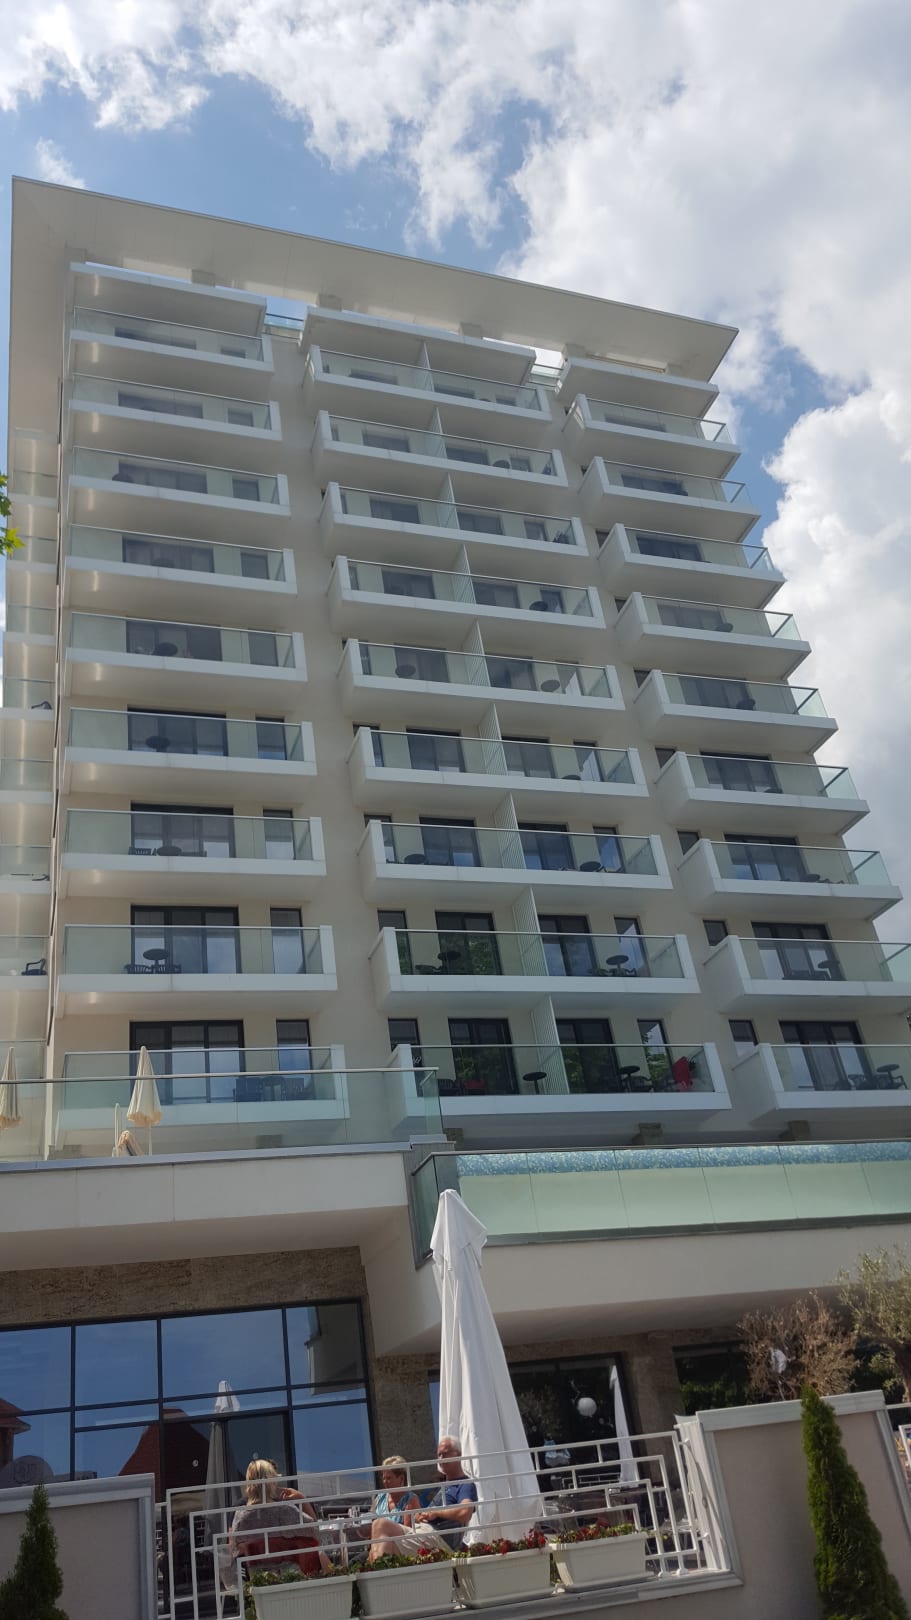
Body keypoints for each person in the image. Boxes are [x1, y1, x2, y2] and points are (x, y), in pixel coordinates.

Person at [368, 1437, 477, 1562]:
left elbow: (464, 1513)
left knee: (384, 1545)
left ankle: (380, 1572)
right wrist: (421, 1516)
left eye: (445, 1453)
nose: (441, 1458)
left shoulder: (464, 1484)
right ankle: (381, 1570)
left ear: (458, 1454)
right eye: (439, 1455)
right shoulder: (444, 1486)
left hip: (439, 1537)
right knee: (379, 1524)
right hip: (423, 1531)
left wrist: (436, 1512)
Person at [229, 1458, 321, 1577]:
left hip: (257, 1577)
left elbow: (234, 1550)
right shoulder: (285, 1510)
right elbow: (315, 1532)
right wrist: (301, 1499)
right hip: (290, 1575)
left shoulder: (240, 1516)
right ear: (271, 1482)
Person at [372, 1455, 420, 1523]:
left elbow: (411, 1528)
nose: (384, 1482)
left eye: (388, 1478)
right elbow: (368, 1521)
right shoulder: (380, 1498)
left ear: (401, 1479)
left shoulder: (411, 1499)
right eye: (383, 1478)